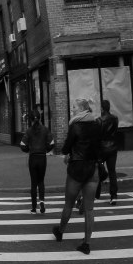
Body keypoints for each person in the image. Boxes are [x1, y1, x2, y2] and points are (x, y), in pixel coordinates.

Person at [53, 97, 103, 255]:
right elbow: (99, 148)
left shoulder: (75, 126)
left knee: (69, 203)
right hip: (93, 168)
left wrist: (69, 153)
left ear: (82, 109)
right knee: (89, 209)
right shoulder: (97, 124)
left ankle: (60, 231)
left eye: (74, 107)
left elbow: (65, 148)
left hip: (76, 169)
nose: (72, 109)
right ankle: (86, 244)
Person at [21, 112, 53, 213]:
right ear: (40, 118)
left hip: (33, 158)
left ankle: (34, 207)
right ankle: (42, 202)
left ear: (30, 120)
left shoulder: (29, 131)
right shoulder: (45, 129)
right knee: (41, 181)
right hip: (42, 157)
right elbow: (52, 143)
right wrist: (46, 150)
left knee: (33, 183)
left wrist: (28, 150)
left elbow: (22, 144)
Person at [97, 99, 121, 205]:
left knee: (98, 171)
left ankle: (96, 193)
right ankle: (114, 196)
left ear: (102, 108)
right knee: (112, 172)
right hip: (112, 148)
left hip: (101, 149)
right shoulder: (115, 119)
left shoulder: (98, 120)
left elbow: (97, 137)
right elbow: (115, 132)